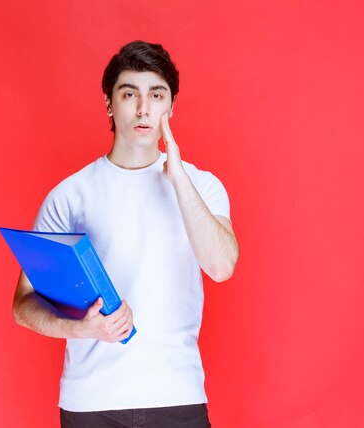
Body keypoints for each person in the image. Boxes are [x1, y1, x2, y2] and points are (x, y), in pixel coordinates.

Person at [12, 40, 239, 427]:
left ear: (171, 107)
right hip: (91, 404)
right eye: (129, 93)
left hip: (177, 398)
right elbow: (24, 305)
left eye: (156, 95)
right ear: (109, 104)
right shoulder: (70, 196)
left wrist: (179, 176)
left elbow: (220, 265)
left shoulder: (201, 185)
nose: (143, 108)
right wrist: (81, 328)